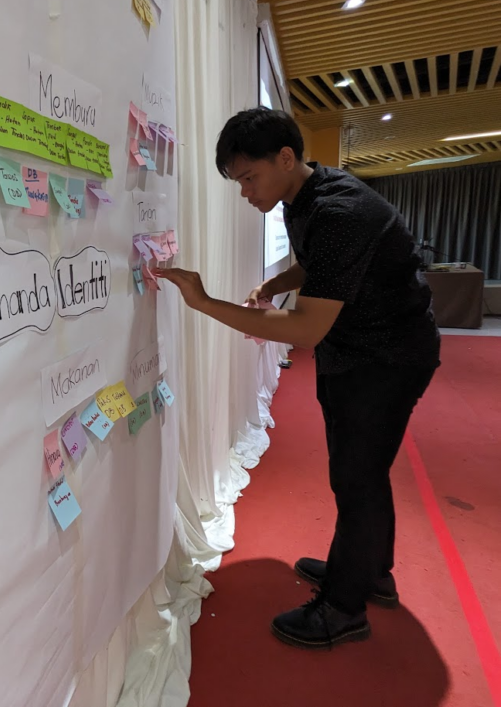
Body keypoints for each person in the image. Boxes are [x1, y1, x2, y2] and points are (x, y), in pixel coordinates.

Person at [156, 107, 440, 650]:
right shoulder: (304, 195)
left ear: (286, 158)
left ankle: (344, 607)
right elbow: (318, 266)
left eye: (249, 178)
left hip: (387, 356)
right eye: (239, 182)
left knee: (357, 476)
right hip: (355, 349)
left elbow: (306, 329)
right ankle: (370, 571)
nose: (245, 193)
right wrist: (274, 285)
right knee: (361, 470)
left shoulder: (340, 209)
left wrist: (205, 302)